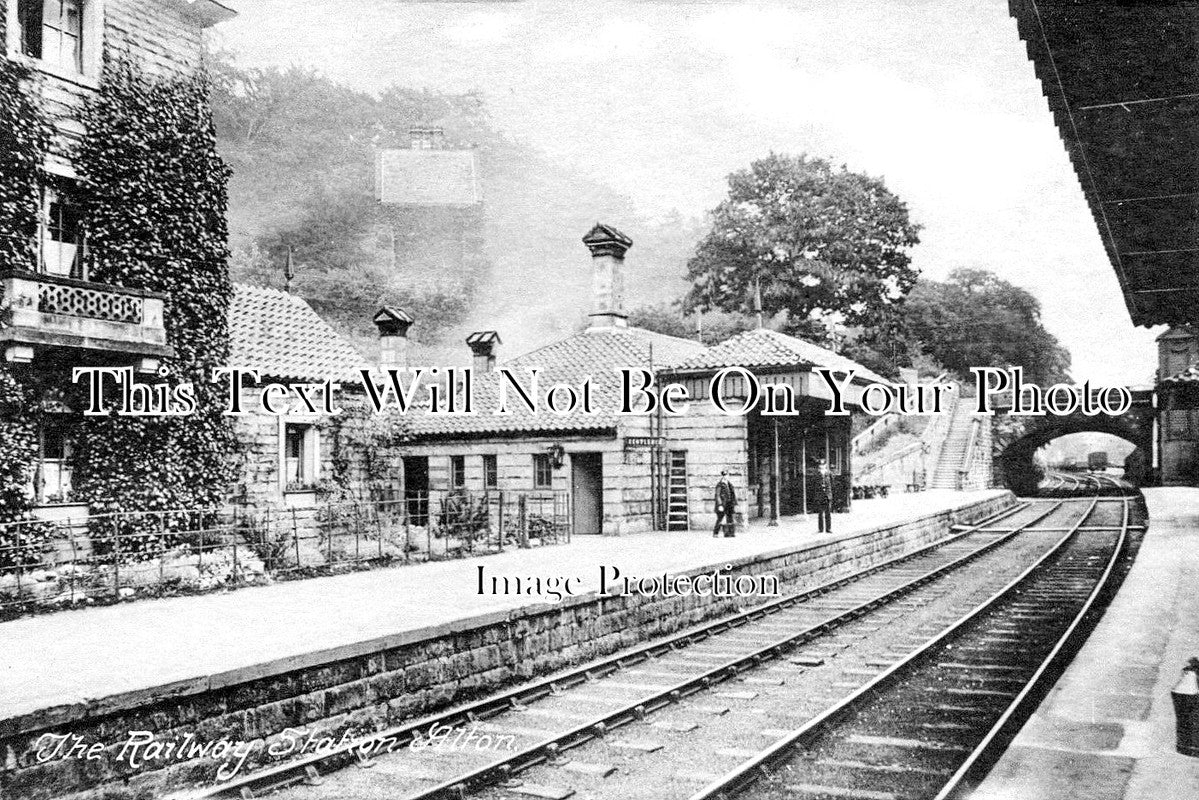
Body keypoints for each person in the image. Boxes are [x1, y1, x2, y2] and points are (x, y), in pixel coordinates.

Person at [713, 470, 737, 538]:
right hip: (723, 504)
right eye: (724, 475)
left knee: (730, 518)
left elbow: (732, 494)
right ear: (722, 476)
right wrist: (720, 505)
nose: (726, 477)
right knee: (720, 519)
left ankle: (730, 533)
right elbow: (717, 495)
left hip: (729, 504)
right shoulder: (720, 485)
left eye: (727, 475)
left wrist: (734, 503)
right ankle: (715, 533)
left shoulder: (729, 484)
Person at [814, 457, 833, 533]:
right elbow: (814, 485)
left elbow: (832, 484)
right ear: (819, 466)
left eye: (823, 465)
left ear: (826, 465)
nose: (822, 466)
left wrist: (830, 493)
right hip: (820, 496)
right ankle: (821, 529)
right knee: (820, 513)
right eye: (820, 465)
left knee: (828, 513)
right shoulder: (817, 474)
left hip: (827, 495)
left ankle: (828, 528)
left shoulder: (829, 473)